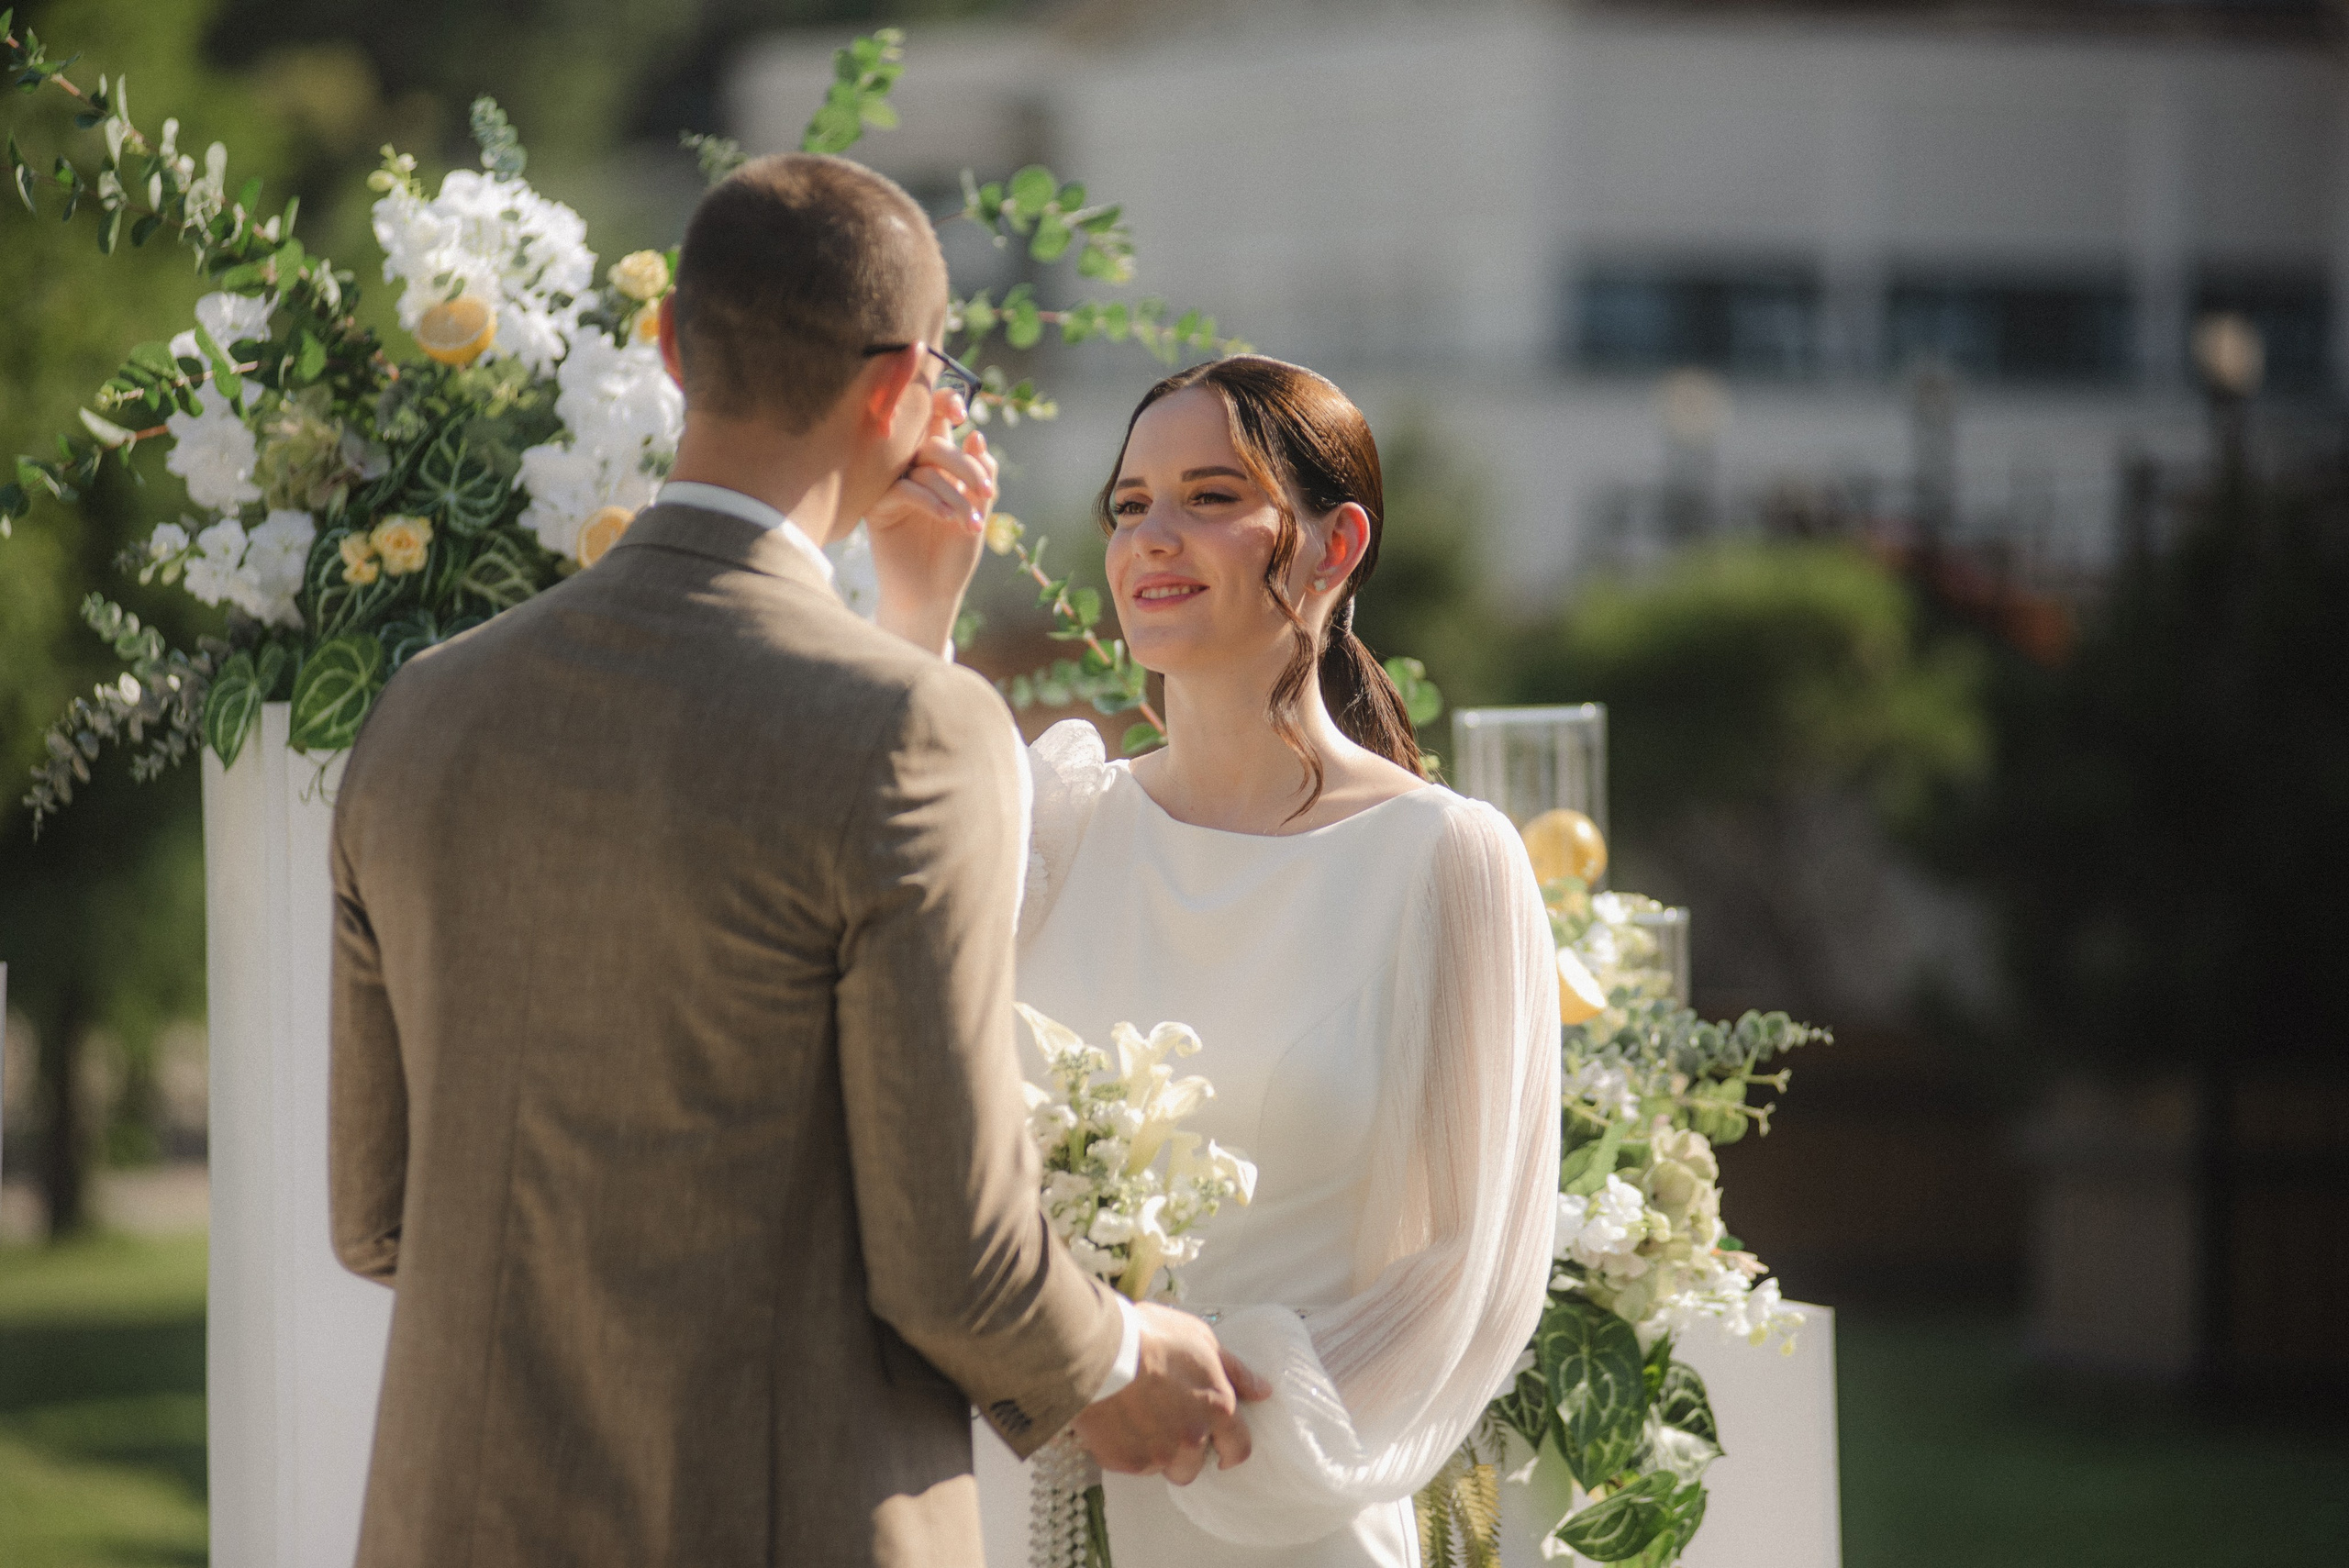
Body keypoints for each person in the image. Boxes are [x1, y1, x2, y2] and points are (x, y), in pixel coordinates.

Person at [327, 152, 1264, 1568]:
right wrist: (1124, 1351)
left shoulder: (424, 711)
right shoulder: (910, 730)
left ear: (669, 348)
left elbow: (378, 1211)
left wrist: (913, 613)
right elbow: (956, 1258)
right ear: (902, 394)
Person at [878, 355, 1562, 1567]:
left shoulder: (1445, 858)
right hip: (1010, 1488)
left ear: (1333, 544)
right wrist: (917, 604)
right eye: (1130, 505)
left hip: (1282, 1514)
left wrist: (1206, 1411)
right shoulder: (1064, 820)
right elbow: (882, 975)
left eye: (1209, 495)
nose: (1155, 536)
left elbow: (1475, 1267)